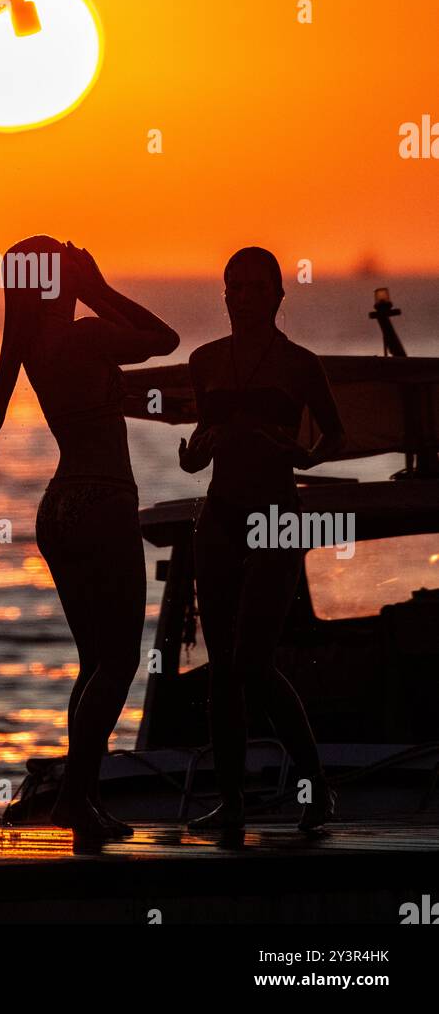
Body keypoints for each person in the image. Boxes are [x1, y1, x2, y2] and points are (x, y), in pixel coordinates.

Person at [0, 236, 179, 847]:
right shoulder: (85, 335)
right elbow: (163, 339)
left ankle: (82, 799)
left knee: (94, 664)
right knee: (119, 663)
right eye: (68, 269)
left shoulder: (35, 347)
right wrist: (99, 287)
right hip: (102, 500)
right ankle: (74, 796)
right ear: (57, 281)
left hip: (59, 507)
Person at [179, 246, 345, 832]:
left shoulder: (301, 364)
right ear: (224, 294)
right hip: (220, 516)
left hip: (277, 517)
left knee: (254, 661)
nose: (244, 297)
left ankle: (316, 787)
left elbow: (335, 436)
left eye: (256, 287)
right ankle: (232, 802)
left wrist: (302, 454)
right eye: (235, 287)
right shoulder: (204, 361)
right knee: (222, 667)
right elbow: (201, 443)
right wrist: (191, 453)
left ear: (279, 295)